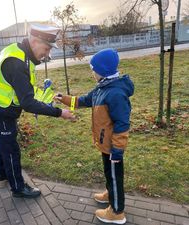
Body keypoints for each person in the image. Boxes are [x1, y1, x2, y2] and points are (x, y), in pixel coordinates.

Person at [0, 24, 75, 198]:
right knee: (10, 147)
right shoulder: (18, 63)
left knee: (2, 141)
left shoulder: (20, 53)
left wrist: (49, 98)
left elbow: (27, 89)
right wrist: (59, 113)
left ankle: (0, 173)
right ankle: (18, 188)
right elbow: (28, 102)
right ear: (34, 41)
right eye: (46, 48)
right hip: (1, 109)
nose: (48, 54)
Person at [55, 48, 134, 224]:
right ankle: (110, 194)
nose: (92, 72)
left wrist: (117, 150)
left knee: (115, 176)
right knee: (109, 174)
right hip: (106, 144)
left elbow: (122, 124)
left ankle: (116, 212)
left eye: (94, 69)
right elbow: (84, 100)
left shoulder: (115, 93)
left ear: (103, 71)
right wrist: (64, 99)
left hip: (114, 148)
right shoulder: (102, 88)